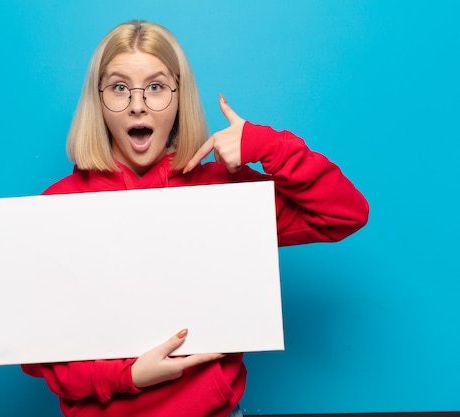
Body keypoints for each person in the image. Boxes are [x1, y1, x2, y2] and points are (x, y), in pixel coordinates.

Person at [21, 20, 369, 417]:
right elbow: (39, 357)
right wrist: (129, 376)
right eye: (119, 87)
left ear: (179, 96)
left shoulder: (221, 190)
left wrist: (267, 145)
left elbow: (343, 213)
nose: (138, 104)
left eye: (155, 87)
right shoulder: (58, 205)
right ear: (98, 100)